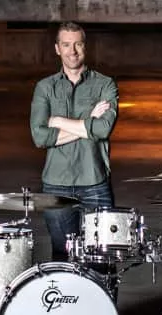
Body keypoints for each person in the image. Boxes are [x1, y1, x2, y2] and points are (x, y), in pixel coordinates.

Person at [30, 21, 119, 261]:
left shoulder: (105, 84)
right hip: (56, 184)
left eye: (78, 44)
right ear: (57, 48)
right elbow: (40, 137)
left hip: (95, 182)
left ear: (85, 46)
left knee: (102, 257)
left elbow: (103, 129)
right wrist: (88, 122)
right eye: (66, 45)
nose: (73, 51)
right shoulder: (45, 88)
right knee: (63, 256)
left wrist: (57, 120)